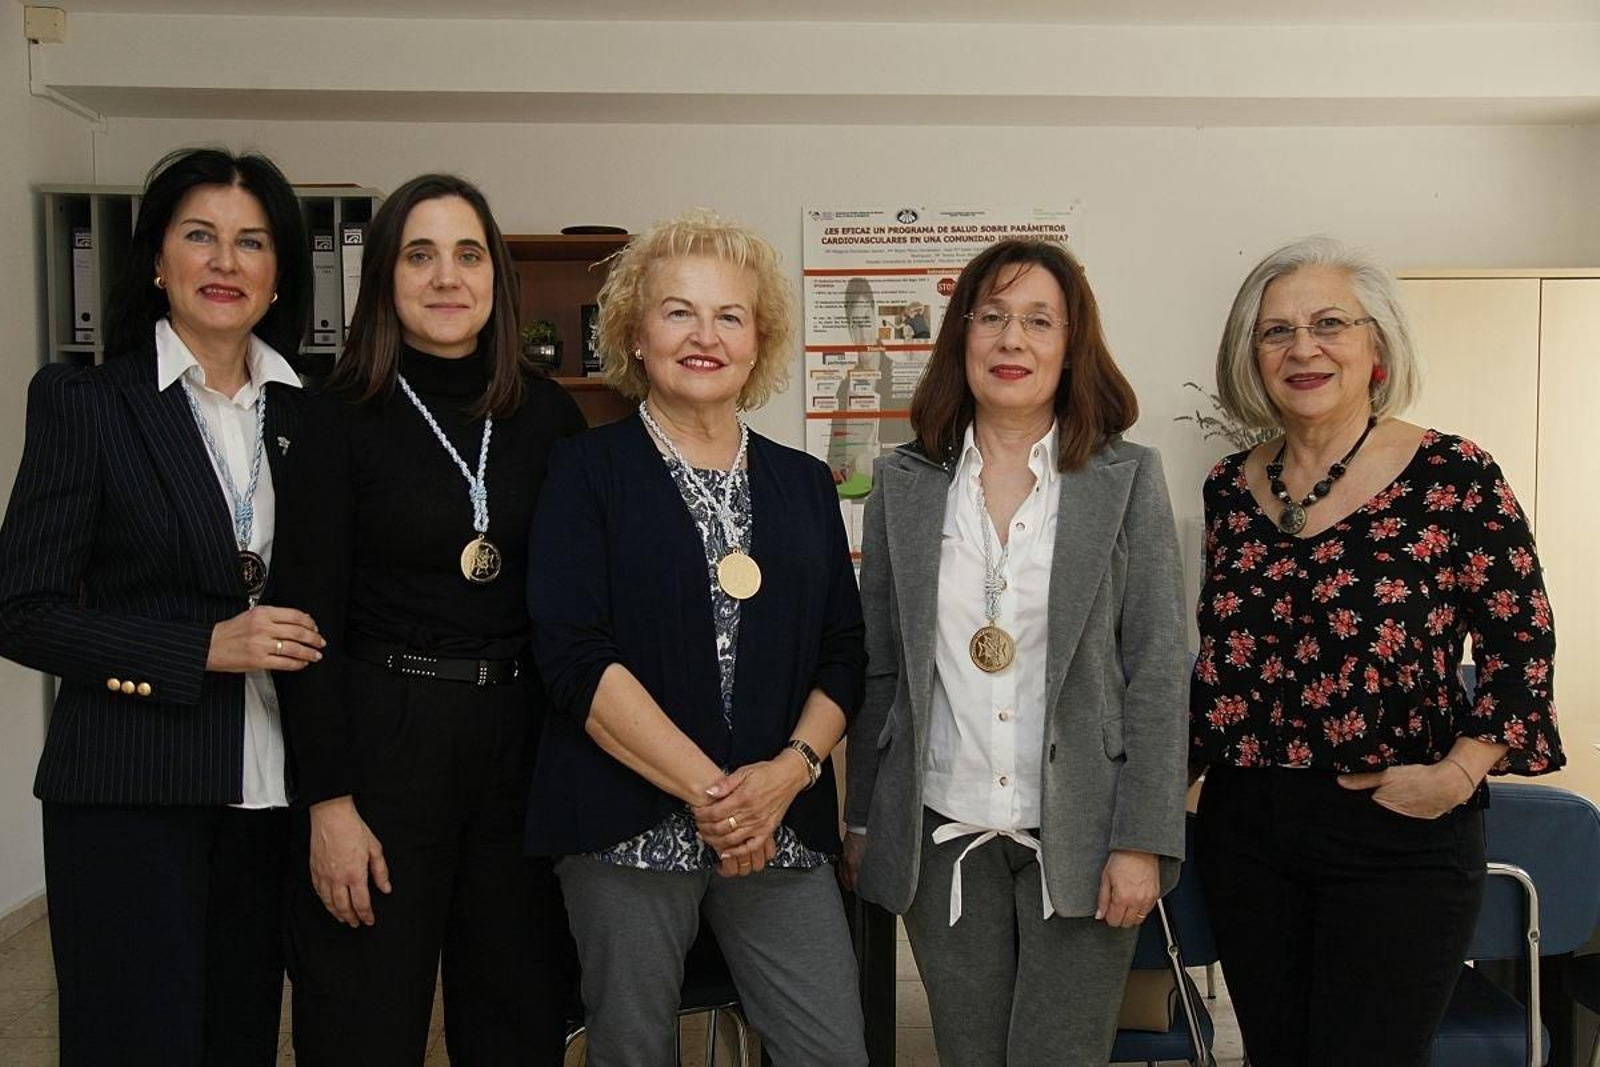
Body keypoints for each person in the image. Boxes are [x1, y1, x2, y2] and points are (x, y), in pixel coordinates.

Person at [1189, 236, 1563, 1066]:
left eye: (1329, 323)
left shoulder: (1454, 474)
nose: (1303, 348)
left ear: (1377, 345)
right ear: (1251, 356)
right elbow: (1221, 665)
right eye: (1275, 331)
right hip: (1248, 832)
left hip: (1398, 827)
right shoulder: (1228, 487)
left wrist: (1457, 774)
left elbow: (1521, 642)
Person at [526, 208, 869, 1066]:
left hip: (779, 825)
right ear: (635, 334)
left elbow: (844, 652)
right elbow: (574, 657)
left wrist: (786, 776)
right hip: (626, 824)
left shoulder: (802, 484)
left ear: (760, 342)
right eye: (678, 311)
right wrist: (720, 797)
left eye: (729, 315)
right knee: (635, 1049)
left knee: (830, 1048)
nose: (703, 335)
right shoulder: (584, 472)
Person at [0, 147, 318, 1067]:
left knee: (239, 1039)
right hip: (129, 789)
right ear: (155, 261)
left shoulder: (314, 414)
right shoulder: (87, 403)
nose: (225, 262)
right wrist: (199, 647)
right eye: (199, 236)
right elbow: (22, 607)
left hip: (271, 791)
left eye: (250, 242)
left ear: (277, 273)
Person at [841, 237, 1190, 1066]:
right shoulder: (904, 481)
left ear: (1071, 347)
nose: (1011, 341)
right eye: (991, 316)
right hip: (941, 830)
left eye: (1039, 320)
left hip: (1082, 836)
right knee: (969, 1053)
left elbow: (1158, 666)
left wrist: (1142, 838)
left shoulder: (1127, 477)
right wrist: (860, 816)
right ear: (961, 334)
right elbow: (881, 663)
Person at [272, 174, 586, 1066]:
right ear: (385, 277)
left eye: (468, 254)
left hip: (518, 749)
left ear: (497, 277)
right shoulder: (335, 415)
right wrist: (327, 802)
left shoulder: (548, 414)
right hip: (381, 743)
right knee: (363, 1018)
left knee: (518, 1018)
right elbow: (303, 623)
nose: (446, 277)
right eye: (420, 254)